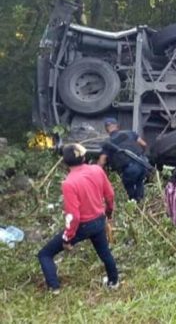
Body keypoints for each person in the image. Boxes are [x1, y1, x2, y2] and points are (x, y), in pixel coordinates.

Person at [38, 144, 118, 294]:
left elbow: (73, 216)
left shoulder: (69, 183)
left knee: (45, 254)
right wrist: (109, 213)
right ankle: (113, 282)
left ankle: (54, 288)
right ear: (84, 157)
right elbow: (110, 195)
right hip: (99, 220)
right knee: (105, 253)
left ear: (65, 162)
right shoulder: (97, 170)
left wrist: (67, 238)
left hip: (83, 226)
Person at [98, 118, 149, 202]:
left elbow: (102, 162)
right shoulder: (129, 133)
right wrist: (141, 153)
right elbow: (144, 144)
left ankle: (134, 203)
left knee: (130, 187)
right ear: (117, 126)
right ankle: (141, 201)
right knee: (139, 183)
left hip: (130, 170)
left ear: (106, 129)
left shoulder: (108, 143)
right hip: (142, 164)